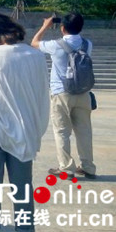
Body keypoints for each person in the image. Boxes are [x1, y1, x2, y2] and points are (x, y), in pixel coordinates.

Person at [0, 12, 49, 232]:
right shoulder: (36, 56)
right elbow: (41, 92)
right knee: (23, 187)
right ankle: (25, 229)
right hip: (25, 130)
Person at [31, 12, 97, 179]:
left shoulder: (55, 45)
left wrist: (45, 25)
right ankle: (88, 166)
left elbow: (34, 43)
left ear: (62, 28)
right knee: (84, 131)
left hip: (61, 93)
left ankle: (67, 168)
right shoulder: (87, 44)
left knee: (62, 131)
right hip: (83, 93)